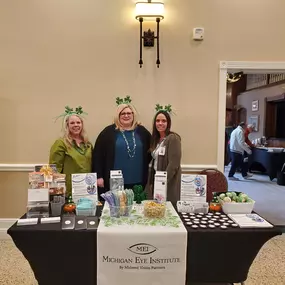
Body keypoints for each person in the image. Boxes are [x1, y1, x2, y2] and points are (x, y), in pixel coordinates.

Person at [92, 96, 151, 196]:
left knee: (136, 207)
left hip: (138, 180)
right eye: (123, 113)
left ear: (133, 115)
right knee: (117, 207)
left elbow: (151, 150)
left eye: (129, 113)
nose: (126, 116)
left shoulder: (142, 132)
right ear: (118, 116)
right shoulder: (108, 132)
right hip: (115, 181)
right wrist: (98, 176)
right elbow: (97, 156)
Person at [49, 106, 93, 195]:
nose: (76, 125)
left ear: (82, 124)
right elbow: (54, 169)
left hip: (87, 188)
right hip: (69, 189)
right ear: (67, 126)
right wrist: (58, 190)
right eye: (72, 123)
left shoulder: (88, 144)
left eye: (78, 122)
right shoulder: (61, 143)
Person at [147, 106, 182, 204]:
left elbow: (174, 165)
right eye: (157, 121)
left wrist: (162, 182)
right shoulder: (156, 140)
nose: (160, 123)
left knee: (168, 208)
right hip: (157, 179)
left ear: (168, 123)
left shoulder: (173, 138)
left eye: (163, 121)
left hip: (168, 181)